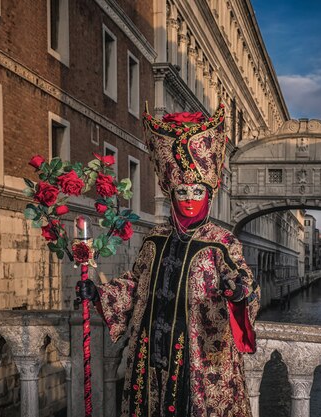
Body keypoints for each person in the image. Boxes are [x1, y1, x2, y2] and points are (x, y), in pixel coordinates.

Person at [78, 104, 260, 416]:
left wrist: (240, 293)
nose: (189, 199)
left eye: (196, 191)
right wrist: (99, 293)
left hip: (199, 357)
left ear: (208, 194)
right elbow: (137, 284)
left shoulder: (221, 241)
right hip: (150, 351)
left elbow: (243, 281)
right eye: (182, 191)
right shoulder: (155, 238)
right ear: (172, 193)